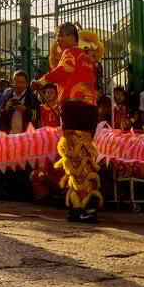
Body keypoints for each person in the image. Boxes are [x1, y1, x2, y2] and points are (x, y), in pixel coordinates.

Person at [36, 23, 105, 223]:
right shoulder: (88, 58)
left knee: (76, 157)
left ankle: (87, 207)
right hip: (90, 109)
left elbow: (62, 71)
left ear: (69, 37)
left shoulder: (70, 54)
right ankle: (80, 205)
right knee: (85, 157)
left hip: (74, 108)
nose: (58, 40)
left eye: (59, 36)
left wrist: (41, 82)